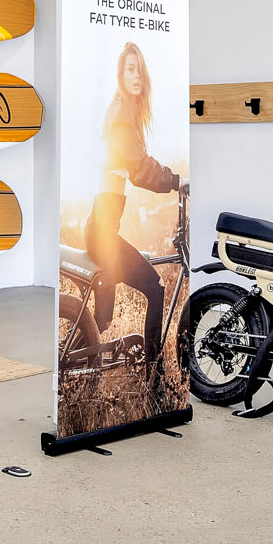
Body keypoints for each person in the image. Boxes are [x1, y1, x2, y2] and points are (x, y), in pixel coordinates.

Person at [88, 41, 181, 353]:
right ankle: (155, 374)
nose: (137, 76)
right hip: (102, 234)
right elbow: (141, 168)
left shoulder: (123, 112)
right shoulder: (121, 114)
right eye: (131, 69)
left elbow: (136, 167)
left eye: (140, 70)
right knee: (155, 287)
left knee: (102, 320)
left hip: (103, 230)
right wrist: (177, 181)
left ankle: (82, 355)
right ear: (120, 75)